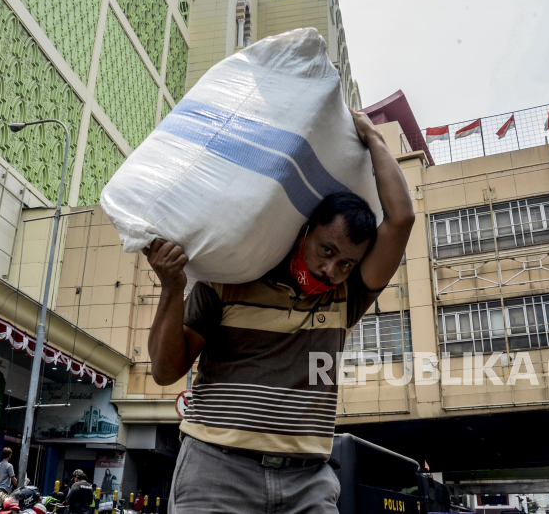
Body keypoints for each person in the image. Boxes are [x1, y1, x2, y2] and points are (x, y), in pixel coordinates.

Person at [145, 108, 415, 513]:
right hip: (215, 471)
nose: (331, 270)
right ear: (305, 231)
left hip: (309, 482)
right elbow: (167, 372)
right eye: (327, 250)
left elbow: (402, 219)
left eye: (346, 263)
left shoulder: (346, 298)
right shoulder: (229, 277)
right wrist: (172, 288)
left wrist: (374, 139)